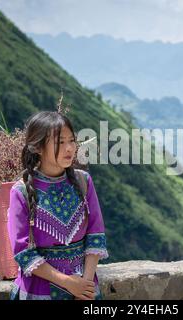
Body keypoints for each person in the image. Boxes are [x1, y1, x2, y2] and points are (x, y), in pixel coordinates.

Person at [7, 111, 109, 300]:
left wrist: (84, 287)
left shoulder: (83, 181)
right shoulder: (20, 192)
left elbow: (95, 235)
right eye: (60, 143)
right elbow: (23, 252)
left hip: (84, 289)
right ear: (37, 147)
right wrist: (69, 283)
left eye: (72, 141)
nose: (69, 148)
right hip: (40, 291)